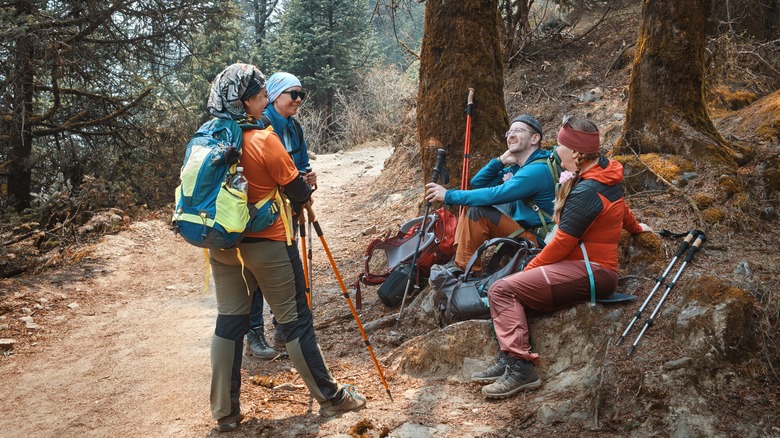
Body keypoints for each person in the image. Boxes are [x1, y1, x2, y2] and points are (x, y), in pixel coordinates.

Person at [205, 63, 365, 432]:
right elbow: (297, 189)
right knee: (295, 321)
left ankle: (225, 413)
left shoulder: (209, 137)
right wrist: (304, 188)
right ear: (246, 101)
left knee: (229, 322)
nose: (266, 101)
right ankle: (331, 399)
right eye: (262, 95)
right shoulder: (263, 140)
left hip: (224, 246)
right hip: (269, 242)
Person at [472, 116, 653, 399]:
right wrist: (636, 228)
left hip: (591, 271)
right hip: (585, 267)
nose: (556, 151)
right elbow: (622, 209)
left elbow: (561, 244)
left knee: (502, 290)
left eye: (561, 146)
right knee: (511, 286)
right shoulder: (604, 173)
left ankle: (521, 368)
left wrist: (528, 270)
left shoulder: (587, 191)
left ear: (577, 153)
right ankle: (509, 358)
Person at [425, 113, 556, 274]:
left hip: (539, 242)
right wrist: (500, 161)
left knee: (476, 210)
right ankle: (464, 267)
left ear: (535, 138)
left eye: (519, 131)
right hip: (522, 232)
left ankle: (466, 271)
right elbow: (478, 183)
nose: (511, 136)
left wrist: (449, 196)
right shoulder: (519, 168)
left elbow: (496, 194)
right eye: (509, 132)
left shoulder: (536, 170)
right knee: (473, 205)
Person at [246, 72, 317, 360]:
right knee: (257, 275)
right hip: (264, 212)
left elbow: (302, 162)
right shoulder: (261, 126)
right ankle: (254, 333)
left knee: (286, 271)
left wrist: (308, 179)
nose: (298, 100)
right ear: (275, 96)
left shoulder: (294, 128)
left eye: (301, 94)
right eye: (293, 94)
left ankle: (283, 328)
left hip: (290, 208)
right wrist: (295, 180)